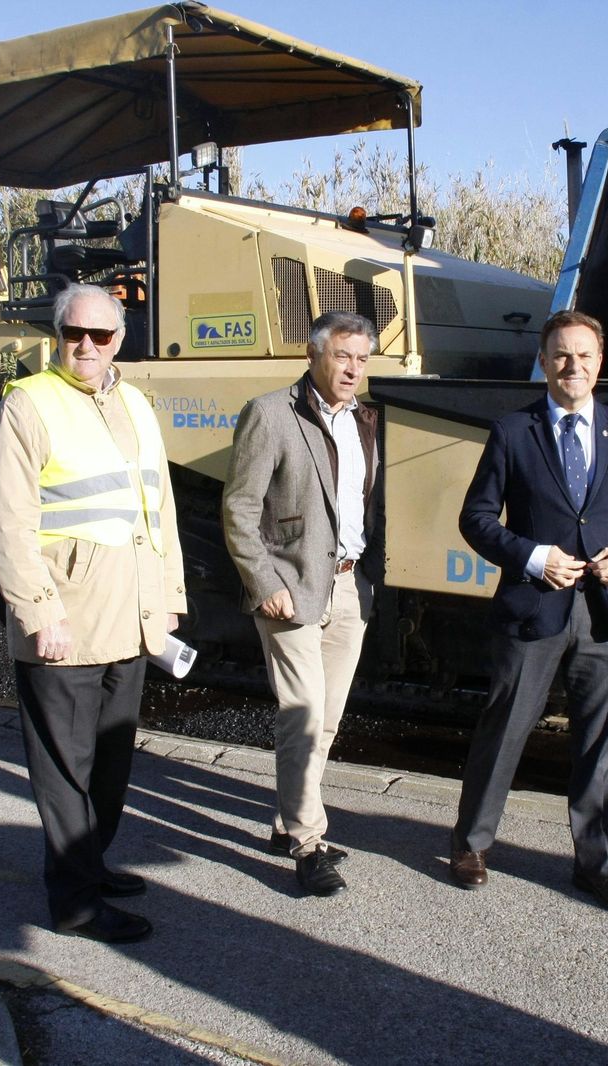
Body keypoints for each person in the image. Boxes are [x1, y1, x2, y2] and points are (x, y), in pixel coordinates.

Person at [0, 282, 186, 944]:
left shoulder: (135, 405)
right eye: (74, 334)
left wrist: (170, 599)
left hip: (132, 620)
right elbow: (2, 521)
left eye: (101, 335)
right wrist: (39, 612)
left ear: (120, 340)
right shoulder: (28, 406)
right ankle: (75, 903)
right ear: (57, 335)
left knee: (113, 761)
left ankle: (91, 865)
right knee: (67, 772)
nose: (86, 346)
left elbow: (161, 510)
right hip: (65, 625)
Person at [448, 309, 608, 913]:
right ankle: (470, 845)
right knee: (505, 728)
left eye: (584, 355)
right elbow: (476, 518)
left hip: (604, 615)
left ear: (600, 363)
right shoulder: (513, 432)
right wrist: (534, 556)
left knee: (599, 745)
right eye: (562, 355)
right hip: (532, 609)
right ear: (544, 362)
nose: (574, 366)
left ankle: (594, 864)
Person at [222, 310, 383, 897]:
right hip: (290, 588)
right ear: (314, 355)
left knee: (329, 719)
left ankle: (286, 819)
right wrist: (264, 583)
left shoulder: (365, 420)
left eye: (363, 359)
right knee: (304, 716)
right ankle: (308, 844)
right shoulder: (271, 414)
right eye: (343, 356)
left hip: (348, 587)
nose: (353, 369)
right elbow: (239, 509)